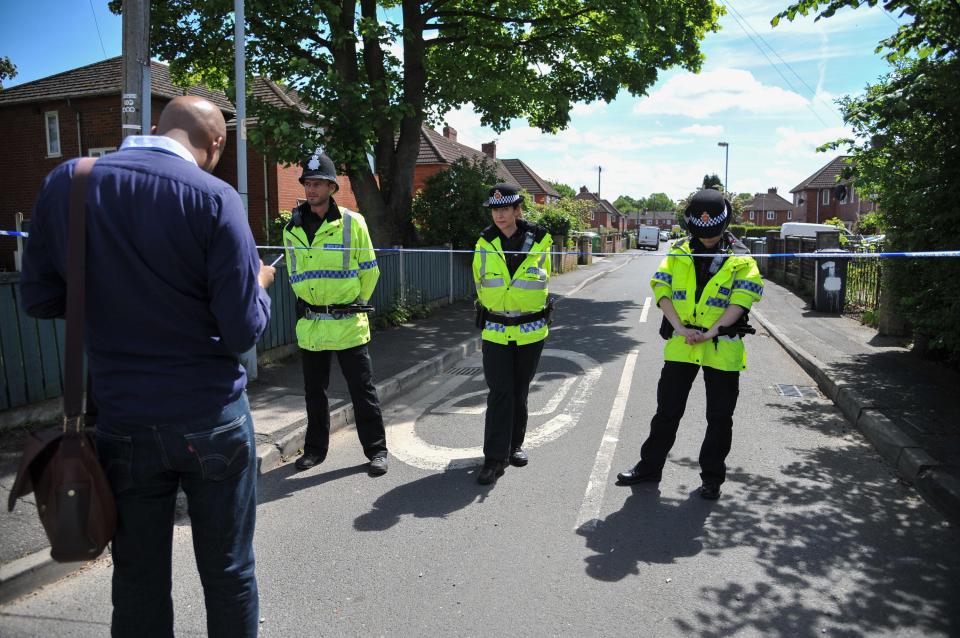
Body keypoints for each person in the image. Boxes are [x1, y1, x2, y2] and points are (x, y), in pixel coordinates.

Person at [20, 96, 273, 637]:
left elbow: (40, 299)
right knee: (229, 571)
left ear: (154, 127)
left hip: (123, 420)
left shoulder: (70, 181)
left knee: (136, 576)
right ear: (217, 144)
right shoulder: (216, 198)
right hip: (212, 417)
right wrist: (258, 286)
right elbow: (243, 331)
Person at [617, 188, 763, 500]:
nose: (706, 238)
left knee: (719, 418)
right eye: (700, 231)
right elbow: (661, 287)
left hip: (721, 345)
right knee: (667, 411)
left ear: (724, 223)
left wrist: (710, 332)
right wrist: (681, 328)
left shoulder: (741, 258)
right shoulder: (679, 250)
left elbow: (742, 299)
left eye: (711, 232)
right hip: (683, 342)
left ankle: (712, 478)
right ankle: (649, 467)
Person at [285, 149, 388, 476]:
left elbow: (370, 271)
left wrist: (353, 303)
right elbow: (294, 273)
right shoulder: (292, 228)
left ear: (332, 187)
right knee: (315, 393)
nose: (312, 189)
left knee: (362, 391)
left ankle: (377, 450)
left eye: (319, 183)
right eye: (308, 183)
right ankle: (315, 450)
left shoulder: (352, 223)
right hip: (312, 325)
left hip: (347, 323)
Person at [472, 183, 552, 485]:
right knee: (500, 392)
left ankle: (515, 444)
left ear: (517, 210)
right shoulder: (484, 242)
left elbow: (544, 277)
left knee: (519, 390)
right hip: (495, 329)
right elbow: (480, 282)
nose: (499, 215)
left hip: (531, 329)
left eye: (505, 208)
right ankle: (494, 458)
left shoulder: (540, 239)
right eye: (495, 209)